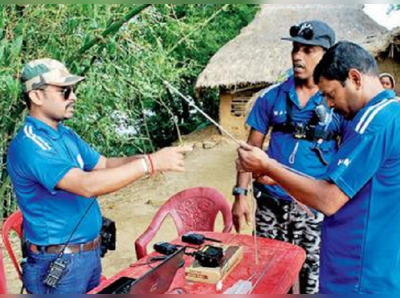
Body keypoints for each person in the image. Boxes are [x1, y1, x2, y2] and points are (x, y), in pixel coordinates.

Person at [7, 58, 192, 294]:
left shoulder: (66, 134)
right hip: (58, 264)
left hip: (87, 255)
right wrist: (149, 164)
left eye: (74, 90)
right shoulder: (31, 145)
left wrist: (152, 158)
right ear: (36, 96)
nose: (73, 96)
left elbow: (103, 164)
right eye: (65, 91)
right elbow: (85, 185)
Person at [238, 41, 400, 294]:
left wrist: (268, 166)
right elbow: (342, 183)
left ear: (355, 78)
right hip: (362, 270)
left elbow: (327, 198)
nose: (329, 104)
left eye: (331, 94)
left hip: (359, 278)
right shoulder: (386, 115)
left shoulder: (372, 125)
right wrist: (279, 179)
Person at [232, 20, 344, 294]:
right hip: (271, 204)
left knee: (310, 278)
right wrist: (239, 196)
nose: (297, 56)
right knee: (268, 274)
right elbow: (251, 151)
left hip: (313, 209)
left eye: (308, 50)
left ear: (326, 56)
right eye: (295, 49)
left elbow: (346, 158)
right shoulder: (271, 98)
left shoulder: (337, 102)